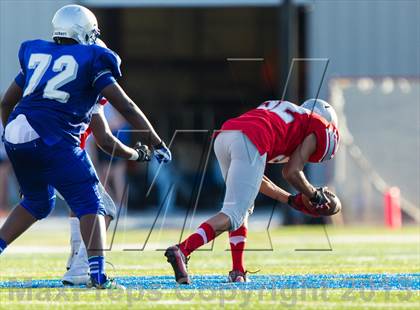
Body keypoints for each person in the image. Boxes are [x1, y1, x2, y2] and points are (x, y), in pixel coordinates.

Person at [0, 4, 171, 289]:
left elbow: (7, 103)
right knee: (95, 203)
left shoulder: (39, 54)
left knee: (38, 203)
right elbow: (124, 107)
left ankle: (77, 264)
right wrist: (155, 141)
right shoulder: (92, 61)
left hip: (18, 131)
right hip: (53, 140)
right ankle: (96, 276)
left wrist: (15, 138)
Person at [165, 99, 340, 284]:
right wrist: (316, 196)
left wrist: (290, 200)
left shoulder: (288, 118)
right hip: (249, 139)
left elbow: (257, 180)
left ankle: (237, 271)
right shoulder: (319, 124)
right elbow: (291, 172)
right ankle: (183, 250)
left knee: (242, 207)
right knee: (233, 214)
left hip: (226, 136)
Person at [62, 96, 151, 286]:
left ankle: (74, 258)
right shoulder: (88, 89)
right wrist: (137, 154)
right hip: (64, 157)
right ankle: (79, 268)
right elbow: (105, 139)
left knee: (68, 205)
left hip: (39, 152)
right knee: (106, 207)